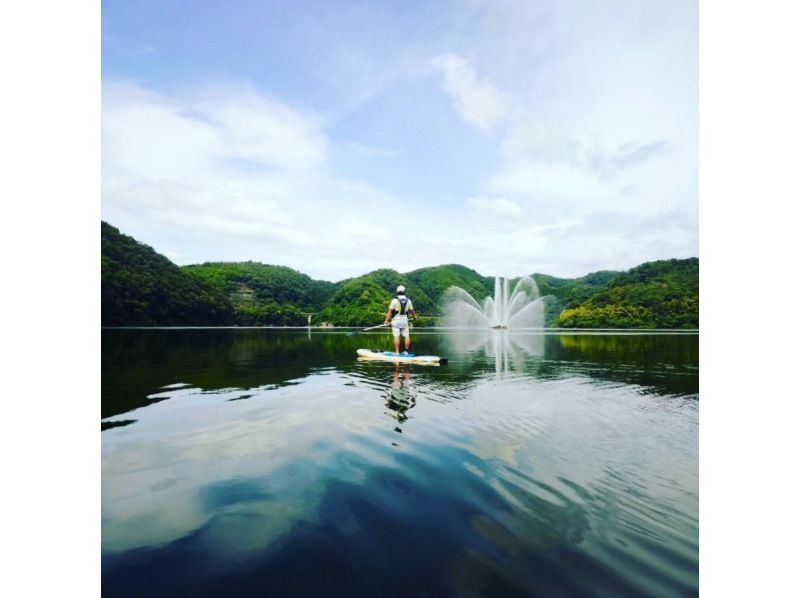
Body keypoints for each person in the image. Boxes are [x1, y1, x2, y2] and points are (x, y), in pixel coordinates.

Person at [384, 285, 416, 355]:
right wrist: (414, 317)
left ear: (397, 292)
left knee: (396, 336)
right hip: (404, 321)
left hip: (396, 321)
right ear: (404, 292)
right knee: (407, 336)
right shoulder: (408, 300)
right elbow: (412, 311)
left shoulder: (394, 300)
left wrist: (386, 321)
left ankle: (397, 352)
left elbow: (389, 312)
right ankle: (406, 352)